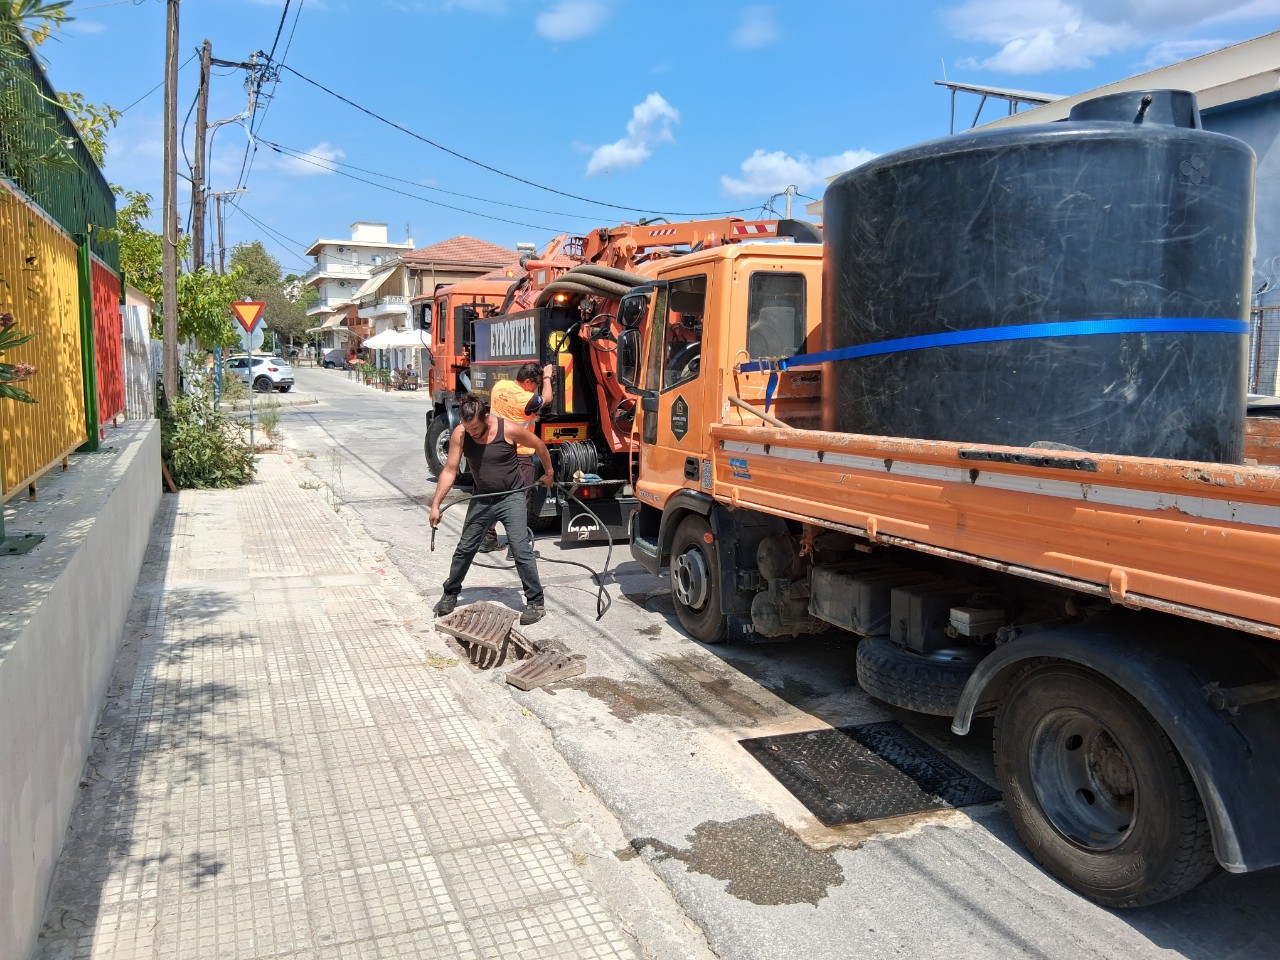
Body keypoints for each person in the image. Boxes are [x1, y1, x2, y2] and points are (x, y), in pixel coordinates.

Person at [430, 393, 554, 625]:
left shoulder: (508, 429)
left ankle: (535, 602)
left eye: (477, 428)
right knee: (465, 548)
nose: (473, 434)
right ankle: (450, 593)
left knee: (520, 548)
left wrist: (549, 473)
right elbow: (450, 470)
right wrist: (436, 505)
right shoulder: (461, 434)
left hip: (512, 497)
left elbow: (538, 445)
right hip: (483, 497)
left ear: (486, 416)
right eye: (469, 429)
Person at [480, 361, 555, 552]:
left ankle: (487, 539)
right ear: (529, 382)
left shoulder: (500, 387)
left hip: (498, 452)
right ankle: (517, 548)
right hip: (520, 456)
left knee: (497, 496)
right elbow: (547, 398)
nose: (536, 387)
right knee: (518, 501)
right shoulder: (527, 400)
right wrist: (547, 378)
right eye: (536, 383)